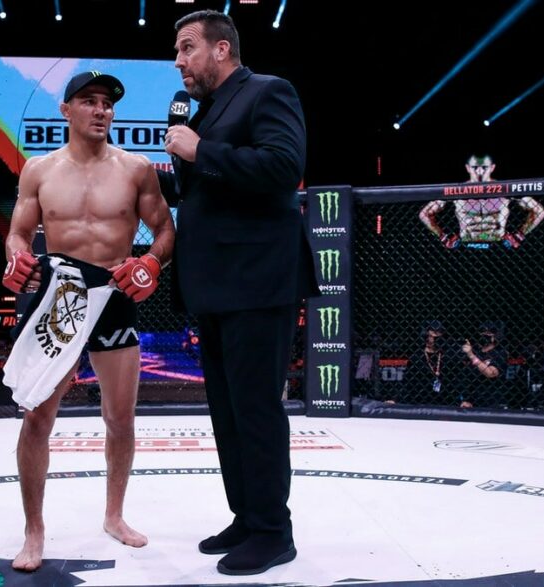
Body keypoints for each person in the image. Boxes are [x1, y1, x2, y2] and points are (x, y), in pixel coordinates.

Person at [158, 10, 317, 576]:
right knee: (227, 412)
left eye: (187, 48)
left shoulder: (268, 92)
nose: (178, 61)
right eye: (177, 51)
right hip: (216, 285)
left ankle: (274, 532)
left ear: (221, 49)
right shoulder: (205, 111)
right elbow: (204, 190)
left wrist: (200, 151)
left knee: (255, 409)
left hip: (257, 281)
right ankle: (248, 517)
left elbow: (283, 166)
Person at [1, 70, 175, 572]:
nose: (101, 110)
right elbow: (18, 233)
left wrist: (151, 262)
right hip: (61, 293)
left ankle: (114, 516)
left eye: (107, 103)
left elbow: (164, 229)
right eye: (89, 101)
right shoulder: (39, 170)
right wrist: (15, 256)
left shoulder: (136, 169)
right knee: (38, 417)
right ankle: (34, 530)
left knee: (120, 418)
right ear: (66, 110)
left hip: (114, 291)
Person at [419, 155, 544, 249]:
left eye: (484, 167)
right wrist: (443, 237)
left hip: (498, 247)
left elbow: (539, 211)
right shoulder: (456, 191)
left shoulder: (505, 190)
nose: (479, 171)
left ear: (492, 168)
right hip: (465, 247)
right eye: (475, 167)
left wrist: (519, 235)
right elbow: (425, 214)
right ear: (468, 168)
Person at [459, 321, 509, 408]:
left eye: (489, 332)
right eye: (483, 332)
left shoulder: (500, 352)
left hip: (492, 401)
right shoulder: (477, 351)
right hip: (472, 400)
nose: (485, 334)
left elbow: (491, 373)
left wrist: (471, 355)